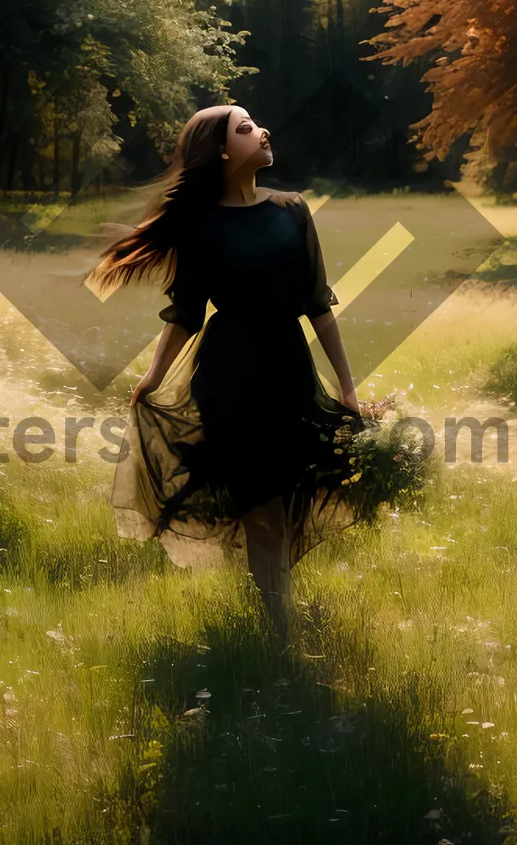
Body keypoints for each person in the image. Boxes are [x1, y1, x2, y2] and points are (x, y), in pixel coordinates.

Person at [85, 104, 367, 648]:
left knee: (281, 507)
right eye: (244, 128)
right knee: (261, 509)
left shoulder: (292, 210)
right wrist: (151, 377)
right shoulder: (200, 225)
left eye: (257, 124)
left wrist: (348, 388)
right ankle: (278, 629)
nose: (262, 131)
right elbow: (187, 312)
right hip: (228, 377)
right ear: (221, 152)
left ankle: (273, 607)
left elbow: (319, 305)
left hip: (288, 369)